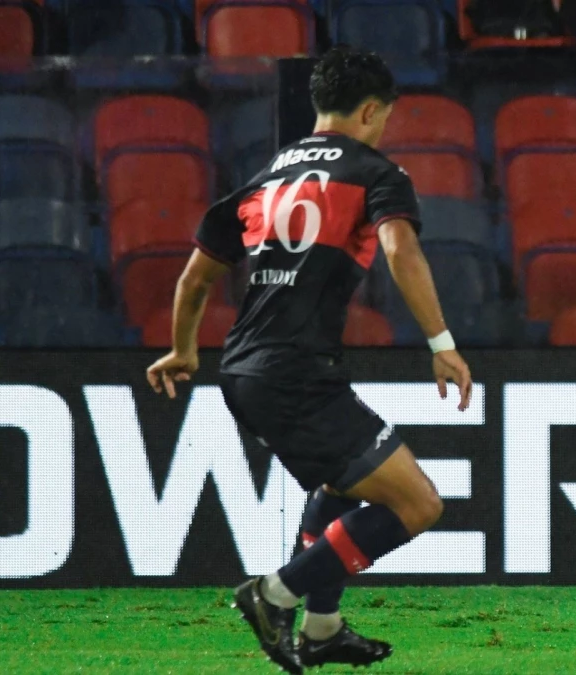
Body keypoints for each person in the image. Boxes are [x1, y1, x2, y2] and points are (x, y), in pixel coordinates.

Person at [145, 46, 473, 673]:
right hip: (295, 371)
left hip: (247, 367)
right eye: (386, 118)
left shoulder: (267, 175)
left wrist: (184, 347)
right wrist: (442, 344)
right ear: (372, 111)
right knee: (418, 505)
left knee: (338, 486)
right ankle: (274, 595)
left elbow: (193, 280)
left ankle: (322, 630)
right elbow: (402, 252)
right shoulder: (376, 173)